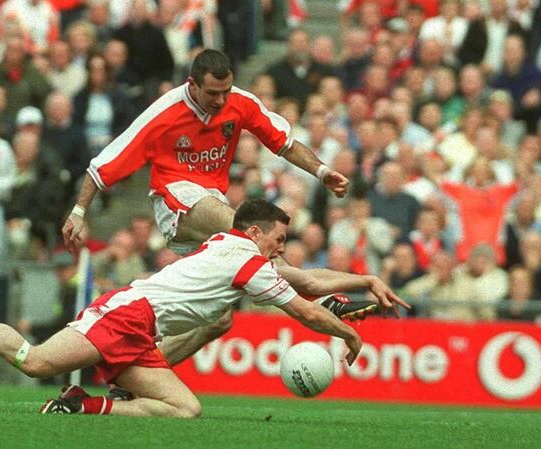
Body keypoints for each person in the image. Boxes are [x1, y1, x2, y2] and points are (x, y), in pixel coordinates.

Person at [0, 199, 409, 418]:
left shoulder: (241, 254)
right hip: (124, 316)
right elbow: (308, 309)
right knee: (35, 360)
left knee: (189, 410)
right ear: (255, 232)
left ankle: (83, 406)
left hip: (143, 333)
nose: (282, 247)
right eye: (279, 237)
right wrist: (348, 335)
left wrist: (364, 278)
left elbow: (308, 280)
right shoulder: (246, 259)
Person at [62, 49, 376, 365]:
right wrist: (78, 211)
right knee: (246, 231)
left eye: (226, 91)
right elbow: (104, 164)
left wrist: (321, 172)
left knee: (219, 319)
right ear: (192, 85)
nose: (221, 100)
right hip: (177, 203)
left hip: (213, 204)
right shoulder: (165, 112)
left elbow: (286, 143)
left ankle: (139, 373)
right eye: (213, 93)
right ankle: (319, 297)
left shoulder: (239, 102)